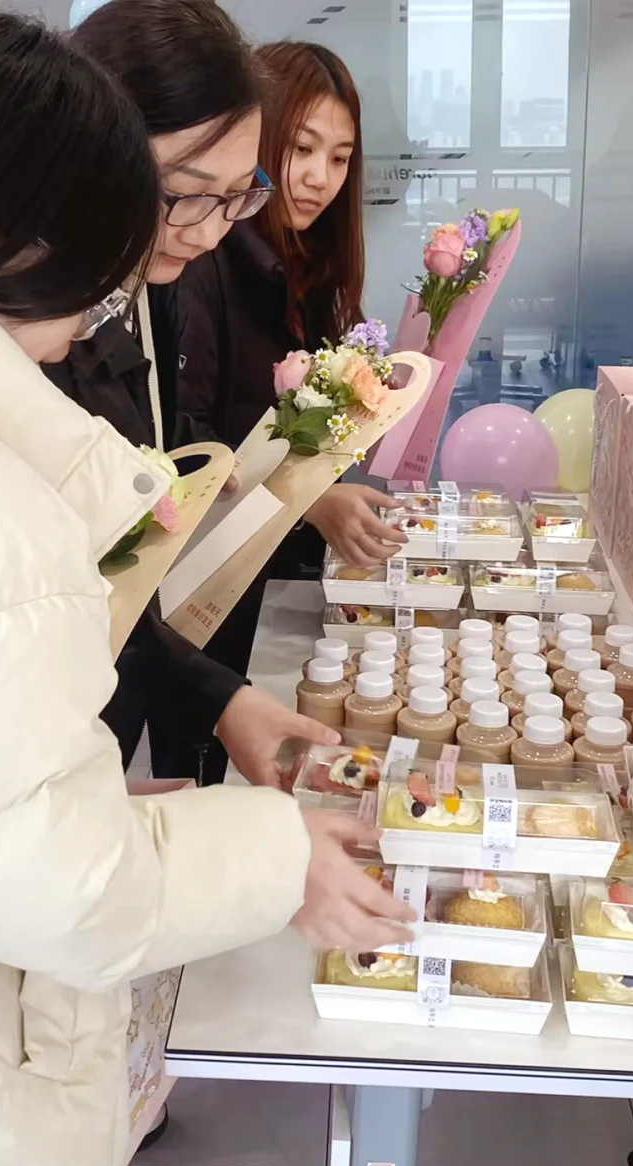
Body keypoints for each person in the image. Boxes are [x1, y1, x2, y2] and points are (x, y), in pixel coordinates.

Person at [0, 5, 413, 1166]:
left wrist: (105, 797)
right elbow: (29, 875)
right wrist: (276, 854)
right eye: (171, 202)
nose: (184, 241)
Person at [46, 0, 335, 785]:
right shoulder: (38, 328)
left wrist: (222, 699)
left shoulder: (167, 278)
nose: (211, 231)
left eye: (238, 195)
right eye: (187, 193)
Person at [168, 41, 402, 778]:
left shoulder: (312, 268)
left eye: (339, 158)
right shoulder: (203, 259)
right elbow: (187, 441)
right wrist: (312, 501)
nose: (319, 177)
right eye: (301, 148)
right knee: (205, 774)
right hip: (201, 588)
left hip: (267, 573)